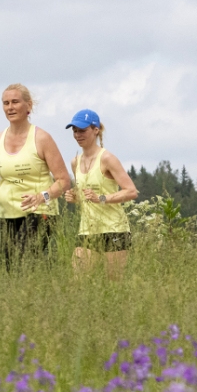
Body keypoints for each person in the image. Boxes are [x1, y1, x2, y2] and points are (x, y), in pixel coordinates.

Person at [0, 84, 71, 264]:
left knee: (23, 262)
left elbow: (64, 180)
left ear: (28, 106)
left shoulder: (42, 138)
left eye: (15, 102)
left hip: (39, 212)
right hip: (7, 214)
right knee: (10, 268)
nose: (10, 107)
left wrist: (42, 196)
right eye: (6, 103)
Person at [62, 109, 138, 279]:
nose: (77, 135)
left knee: (114, 285)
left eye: (82, 130)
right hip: (87, 230)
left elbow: (131, 191)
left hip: (114, 229)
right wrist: (75, 197)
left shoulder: (107, 158)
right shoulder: (75, 162)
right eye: (74, 131)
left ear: (95, 130)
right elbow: (83, 193)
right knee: (77, 282)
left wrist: (101, 198)